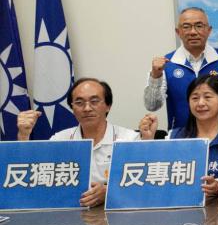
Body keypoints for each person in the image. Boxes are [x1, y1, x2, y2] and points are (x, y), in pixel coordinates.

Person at [16, 78, 139, 207]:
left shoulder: (129, 139)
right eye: (79, 103)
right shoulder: (60, 140)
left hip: (116, 210)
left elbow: (139, 186)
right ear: (72, 108)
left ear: (108, 106)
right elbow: (33, 176)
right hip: (71, 210)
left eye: (94, 101)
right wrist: (24, 135)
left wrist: (110, 192)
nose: (87, 108)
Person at [140, 75, 218, 198]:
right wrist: (147, 140)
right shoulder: (174, 137)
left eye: (207, 97)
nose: (200, 103)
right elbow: (155, 175)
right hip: (182, 205)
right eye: (195, 98)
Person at [143, 6, 218, 130]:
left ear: (209, 30)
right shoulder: (166, 63)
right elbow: (152, 106)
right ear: (178, 32)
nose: (193, 32)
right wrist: (155, 77)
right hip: (180, 136)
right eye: (186, 27)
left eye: (199, 26)